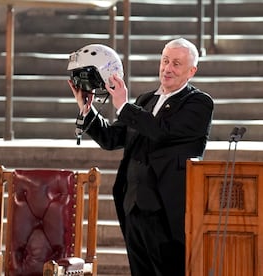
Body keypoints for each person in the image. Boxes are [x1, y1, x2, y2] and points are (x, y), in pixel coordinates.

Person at [67, 38, 214, 276]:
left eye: (176, 64)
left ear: (191, 71)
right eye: (165, 61)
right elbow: (112, 138)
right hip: (133, 205)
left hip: (167, 211)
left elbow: (160, 132)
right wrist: (87, 109)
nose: (167, 68)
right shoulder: (145, 101)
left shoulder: (199, 103)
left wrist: (123, 105)